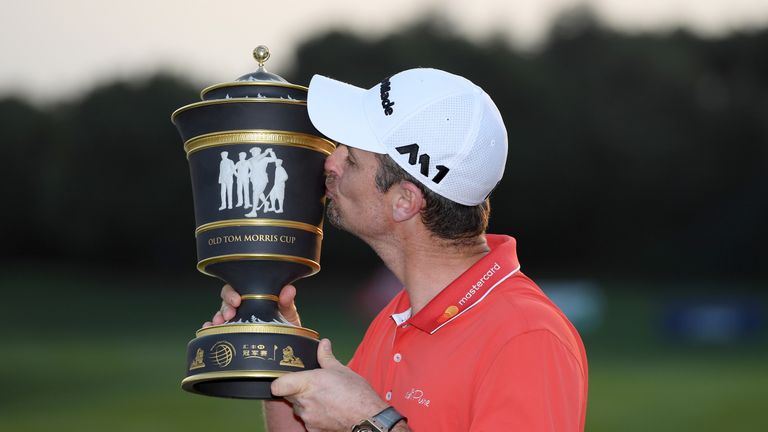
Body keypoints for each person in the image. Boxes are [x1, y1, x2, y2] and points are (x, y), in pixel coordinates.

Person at [206, 68, 588, 431]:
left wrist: (369, 420)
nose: (330, 162)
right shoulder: (398, 318)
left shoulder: (527, 337)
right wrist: (281, 350)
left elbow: (365, 421)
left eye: (350, 158)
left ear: (404, 202)